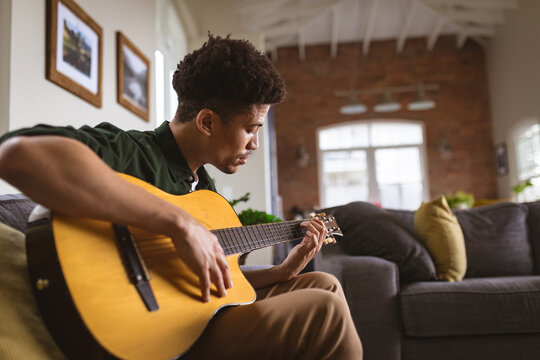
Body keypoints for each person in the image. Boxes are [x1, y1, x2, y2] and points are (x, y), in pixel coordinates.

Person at [0, 34, 362, 359]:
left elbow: (223, 283)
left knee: (324, 283)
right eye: (251, 129)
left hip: (194, 309)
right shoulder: (133, 152)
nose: (255, 143)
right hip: (143, 323)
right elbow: (16, 155)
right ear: (206, 122)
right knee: (324, 311)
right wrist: (176, 222)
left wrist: (282, 270)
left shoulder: (205, 190)